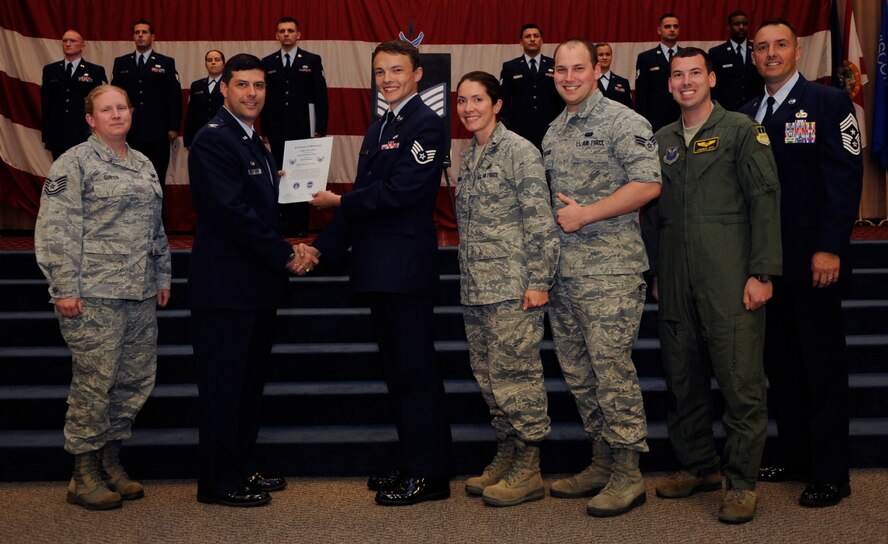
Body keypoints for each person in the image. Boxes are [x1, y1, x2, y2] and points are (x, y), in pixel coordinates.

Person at [295, 40, 452, 506]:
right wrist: (320, 249)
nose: (387, 78)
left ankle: (432, 475)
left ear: (417, 73)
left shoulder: (427, 123)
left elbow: (401, 192)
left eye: (396, 70)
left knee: (416, 373)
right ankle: (412, 464)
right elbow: (361, 202)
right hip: (378, 268)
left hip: (403, 269)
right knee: (398, 375)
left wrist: (339, 201)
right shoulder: (379, 125)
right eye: (380, 71)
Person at [652, 47, 782, 524]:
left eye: (694, 73)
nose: (685, 82)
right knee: (682, 378)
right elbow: (652, 213)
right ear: (668, 85)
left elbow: (766, 201)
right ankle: (698, 465)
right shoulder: (661, 138)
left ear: (711, 78)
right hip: (676, 277)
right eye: (677, 75)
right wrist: (656, 273)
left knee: (739, 381)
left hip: (730, 276)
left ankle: (742, 482)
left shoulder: (742, 132)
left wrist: (762, 272)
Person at [740, 19, 863, 508]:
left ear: (796, 51)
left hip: (815, 263)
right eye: (761, 47)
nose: (770, 53)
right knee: (782, 366)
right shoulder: (746, 113)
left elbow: (844, 177)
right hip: (767, 266)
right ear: (753, 56)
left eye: (779, 45)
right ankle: (794, 456)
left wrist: (830, 246)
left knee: (821, 367)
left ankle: (832, 472)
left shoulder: (829, 103)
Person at [34, 84, 171, 510]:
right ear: (90, 119)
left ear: (131, 112)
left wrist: (163, 274)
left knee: (133, 380)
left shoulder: (145, 163)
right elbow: (57, 229)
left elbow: (156, 227)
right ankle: (82, 473)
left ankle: (111, 462)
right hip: (93, 294)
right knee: (95, 383)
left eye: (121, 107)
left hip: (139, 291)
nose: (116, 114)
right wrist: (65, 287)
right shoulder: (73, 162)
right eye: (105, 109)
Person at [543, 38, 661, 517]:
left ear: (597, 71)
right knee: (580, 374)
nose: (569, 77)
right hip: (566, 274)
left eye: (578, 69)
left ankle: (629, 474)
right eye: (561, 70)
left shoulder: (623, 120)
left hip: (611, 271)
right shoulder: (554, 130)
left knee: (612, 371)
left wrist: (588, 214)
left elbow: (649, 183)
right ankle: (602, 460)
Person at [188, 53, 301, 508]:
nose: (252, 93)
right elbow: (230, 213)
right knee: (224, 389)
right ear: (224, 89)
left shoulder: (253, 138)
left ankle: (241, 465)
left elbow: (258, 202)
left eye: (259, 86)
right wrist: (286, 253)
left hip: (254, 286)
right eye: (242, 85)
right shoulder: (214, 139)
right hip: (225, 289)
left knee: (249, 386)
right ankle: (217, 482)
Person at [454, 71, 559, 507]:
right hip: (476, 288)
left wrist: (539, 282)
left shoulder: (519, 151)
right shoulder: (469, 156)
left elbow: (540, 221)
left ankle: (529, 467)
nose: (468, 108)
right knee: (490, 379)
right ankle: (508, 452)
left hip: (513, 288)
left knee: (517, 379)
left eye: (477, 99)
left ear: (497, 104)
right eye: (462, 101)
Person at [261, 16, 329, 236]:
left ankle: (300, 225)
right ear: (276, 35)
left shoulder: (312, 59)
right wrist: (263, 129)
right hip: (277, 129)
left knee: (301, 175)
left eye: (290, 30)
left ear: (298, 34)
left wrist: (320, 128)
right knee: (282, 175)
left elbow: (321, 96)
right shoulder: (267, 62)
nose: (286, 34)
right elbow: (264, 99)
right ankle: (284, 223)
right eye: (282, 31)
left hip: (303, 129)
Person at [111, 19, 182, 190]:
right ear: (133, 37)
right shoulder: (121, 63)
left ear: (153, 36)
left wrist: (173, 127)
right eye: (137, 32)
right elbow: (114, 95)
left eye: (144, 32)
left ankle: (158, 217)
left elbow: (174, 96)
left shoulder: (165, 62)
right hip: (130, 130)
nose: (141, 35)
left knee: (156, 177)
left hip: (158, 131)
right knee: (129, 178)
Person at [41, 30, 107, 160]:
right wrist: (47, 133)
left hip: (84, 132)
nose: (68, 44)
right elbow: (46, 103)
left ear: (82, 45)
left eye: (72, 41)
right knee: (61, 174)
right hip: (58, 132)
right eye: (65, 41)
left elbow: (100, 103)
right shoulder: (50, 70)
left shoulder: (95, 71)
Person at [499, 23, 564, 150]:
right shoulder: (510, 67)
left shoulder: (554, 65)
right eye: (528, 36)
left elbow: (561, 99)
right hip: (519, 130)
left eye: (536, 36)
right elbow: (504, 101)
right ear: (521, 42)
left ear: (542, 40)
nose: (532, 39)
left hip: (550, 128)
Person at [635, 13, 682, 132]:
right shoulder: (646, 58)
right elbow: (641, 95)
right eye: (667, 27)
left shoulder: (687, 55)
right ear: (659, 30)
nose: (672, 29)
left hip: (684, 115)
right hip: (656, 120)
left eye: (675, 26)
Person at [709, 11, 763, 111]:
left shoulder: (758, 50)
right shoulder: (716, 53)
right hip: (727, 111)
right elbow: (714, 87)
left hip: (755, 109)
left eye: (745, 24)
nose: (741, 27)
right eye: (737, 24)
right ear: (728, 27)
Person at [183, 50, 225, 148]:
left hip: (223, 135)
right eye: (209, 60)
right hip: (200, 135)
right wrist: (188, 140)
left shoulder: (230, 84)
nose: (213, 62)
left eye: (217, 60)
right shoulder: (196, 85)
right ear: (205, 64)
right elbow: (191, 114)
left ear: (223, 63)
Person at [595, 43, 633, 109]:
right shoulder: (589, 82)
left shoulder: (623, 82)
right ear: (594, 58)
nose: (605, 57)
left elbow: (628, 109)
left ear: (611, 57)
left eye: (608, 54)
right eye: (601, 55)